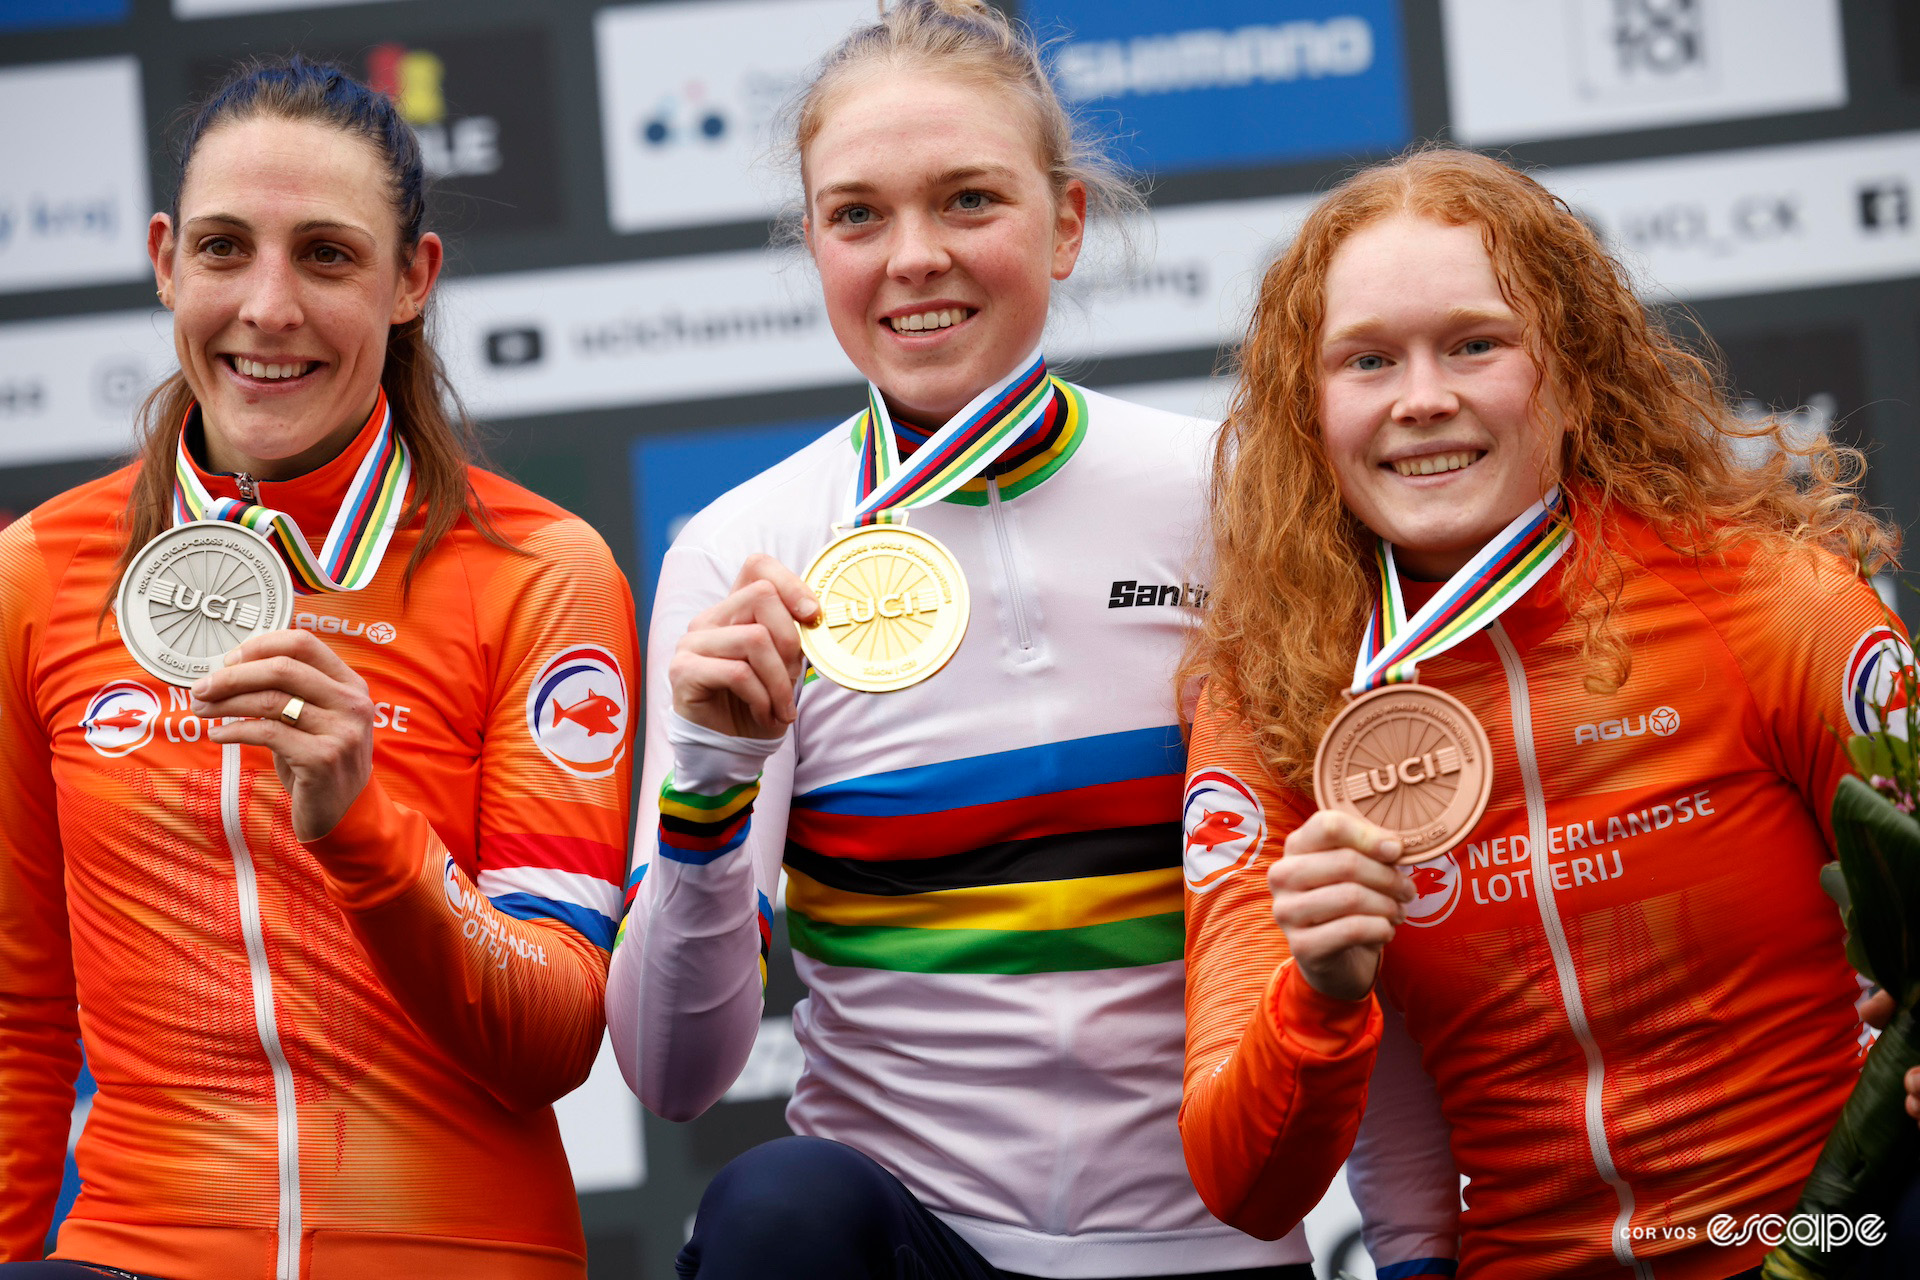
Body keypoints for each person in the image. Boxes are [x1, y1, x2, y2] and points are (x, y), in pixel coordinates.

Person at [606, 2, 1338, 1277]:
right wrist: (711, 781)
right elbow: (673, 1073)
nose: (913, 257)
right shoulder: (743, 548)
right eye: (858, 215)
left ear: (1065, 225)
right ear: (814, 243)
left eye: (968, 201)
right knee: (777, 1210)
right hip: (915, 1238)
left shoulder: (1227, 496)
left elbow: (1352, 917)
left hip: (1214, 1239)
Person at [1177, 145, 1910, 1279]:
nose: (1425, 398)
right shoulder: (1276, 703)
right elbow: (1242, 1181)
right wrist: (1316, 999)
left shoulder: (1771, 605)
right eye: (1369, 360)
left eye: (1475, 342)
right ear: (1309, 407)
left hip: (1824, 1238)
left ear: (1568, 367)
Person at [0, 58, 636, 1280]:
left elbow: (555, 1029)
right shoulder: (38, 571)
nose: (268, 305)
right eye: (226, 248)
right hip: (140, 1257)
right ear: (163, 261)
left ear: (413, 280)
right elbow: (19, 1016)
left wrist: (366, 824)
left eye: (329, 256)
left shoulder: (540, 572)